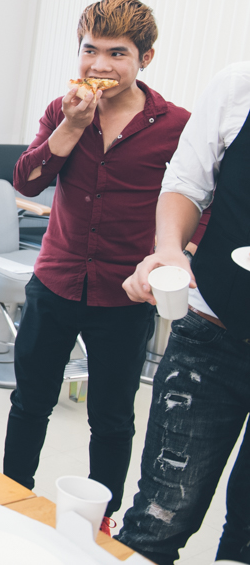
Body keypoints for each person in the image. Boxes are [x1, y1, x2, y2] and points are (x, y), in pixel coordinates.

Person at [4, 0, 198, 534]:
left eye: (118, 53)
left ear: (146, 58)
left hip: (125, 296)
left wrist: (177, 257)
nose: (100, 66)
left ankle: (101, 520)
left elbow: (197, 203)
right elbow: (26, 182)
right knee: (30, 402)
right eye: (90, 50)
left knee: (111, 419)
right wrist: (68, 128)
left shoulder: (175, 125)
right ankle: (10, 497)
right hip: (55, 281)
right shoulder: (61, 109)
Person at [115, 62, 250, 564]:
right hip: (211, 336)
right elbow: (187, 183)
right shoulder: (238, 87)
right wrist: (169, 248)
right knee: (157, 520)